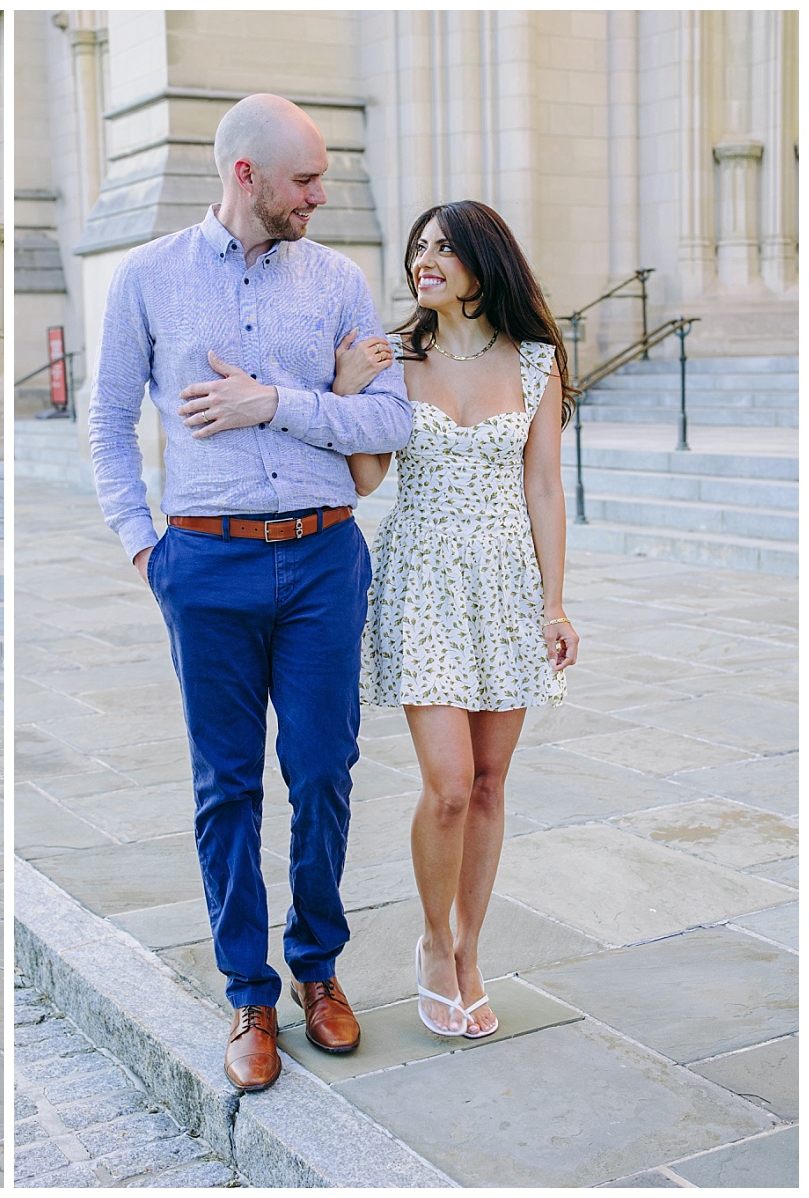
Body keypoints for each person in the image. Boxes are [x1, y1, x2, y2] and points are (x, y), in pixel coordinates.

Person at [87, 93, 413, 1093]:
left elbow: (389, 424)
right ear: (245, 176)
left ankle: (318, 970)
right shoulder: (146, 278)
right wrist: (148, 553)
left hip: (323, 557)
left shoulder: (341, 279)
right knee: (224, 786)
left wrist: (272, 401)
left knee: (322, 771)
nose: (320, 195)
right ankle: (249, 990)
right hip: (206, 564)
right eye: (305, 180)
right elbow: (104, 427)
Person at [342, 200, 581, 1038]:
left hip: (508, 586)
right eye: (419, 248)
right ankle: (434, 944)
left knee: (488, 783)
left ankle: (470, 950)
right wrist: (346, 388)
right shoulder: (396, 359)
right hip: (422, 584)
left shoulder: (538, 361)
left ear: (485, 262)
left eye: (443, 248)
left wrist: (554, 600)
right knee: (446, 786)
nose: (424, 260)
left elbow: (544, 485)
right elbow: (368, 477)